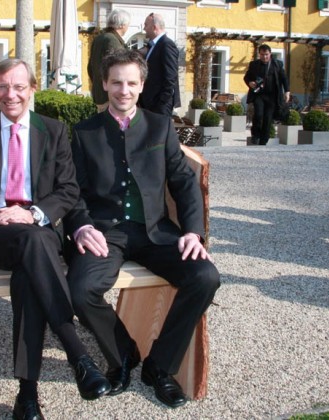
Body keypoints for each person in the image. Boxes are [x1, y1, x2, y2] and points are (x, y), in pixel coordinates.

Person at [0, 58, 111, 420]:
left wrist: (32, 213)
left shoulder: (53, 131)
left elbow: (68, 190)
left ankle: (28, 395)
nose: (11, 94)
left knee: (30, 269)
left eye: (19, 86)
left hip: (36, 230)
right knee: (34, 249)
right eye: (3, 86)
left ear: (32, 89)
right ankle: (76, 352)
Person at [64, 50, 220, 408]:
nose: (123, 90)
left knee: (205, 277)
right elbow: (72, 190)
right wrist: (82, 226)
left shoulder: (159, 126)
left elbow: (182, 181)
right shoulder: (85, 132)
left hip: (156, 232)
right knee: (81, 289)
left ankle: (159, 367)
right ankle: (123, 356)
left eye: (131, 82)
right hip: (106, 232)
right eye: (116, 82)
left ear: (142, 85)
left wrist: (193, 232)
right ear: (104, 84)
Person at [243, 44, 290, 145]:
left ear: (270, 54)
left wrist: (287, 91)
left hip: (272, 96)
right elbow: (247, 77)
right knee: (259, 114)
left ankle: (264, 141)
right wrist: (250, 83)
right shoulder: (254, 65)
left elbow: (284, 78)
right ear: (259, 54)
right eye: (262, 54)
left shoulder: (277, 64)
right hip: (258, 95)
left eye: (266, 54)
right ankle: (255, 135)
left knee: (268, 118)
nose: (264, 57)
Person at [87, 9, 130, 112]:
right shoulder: (112, 41)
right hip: (110, 96)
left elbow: (90, 68)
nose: (127, 27)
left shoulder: (99, 38)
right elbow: (119, 70)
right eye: (128, 24)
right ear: (122, 25)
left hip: (100, 94)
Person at [139, 13, 181, 116]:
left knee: (159, 132)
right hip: (150, 103)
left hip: (159, 106)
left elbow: (171, 77)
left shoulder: (166, 45)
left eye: (146, 25)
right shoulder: (153, 45)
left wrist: (162, 102)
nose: (144, 28)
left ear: (154, 27)